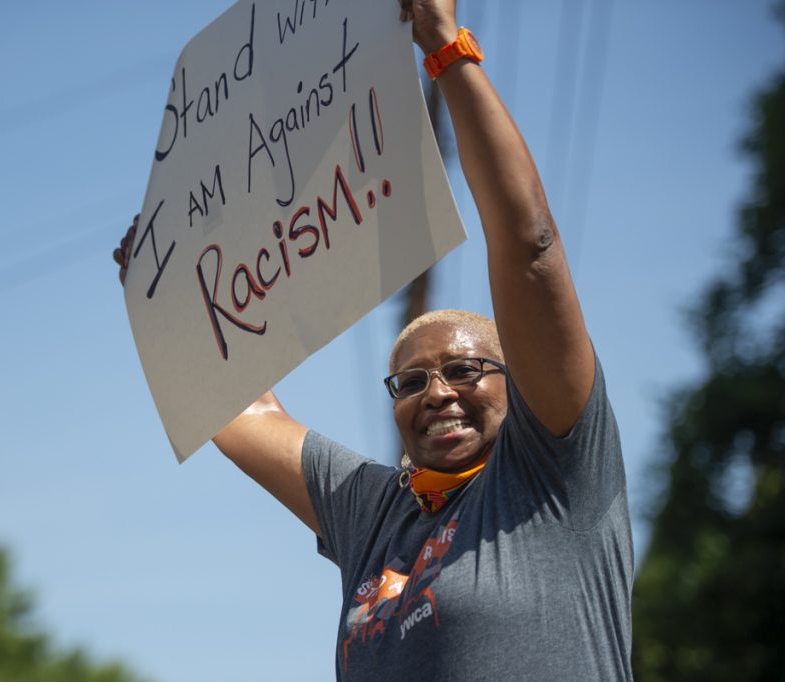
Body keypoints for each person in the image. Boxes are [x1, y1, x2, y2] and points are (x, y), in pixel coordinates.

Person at [115, 0, 633, 678]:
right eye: (411, 382)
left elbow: (531, 245)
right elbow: (237, 406)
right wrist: (170, 297)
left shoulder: (554, 471)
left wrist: (445, 50)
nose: (438, 392)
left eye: (465, 369)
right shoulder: (375, 514)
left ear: (520, 381)